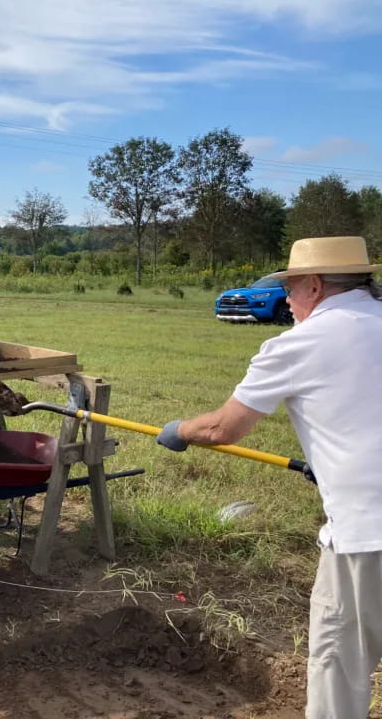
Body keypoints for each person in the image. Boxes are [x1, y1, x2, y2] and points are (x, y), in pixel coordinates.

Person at [155, 236, 382, 718]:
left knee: (339, 662)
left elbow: (222, 428)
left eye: (292, 289)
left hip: (368, 535)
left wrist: (179, 430)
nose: (291, 303)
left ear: (315, 286)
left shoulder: (299, 343)